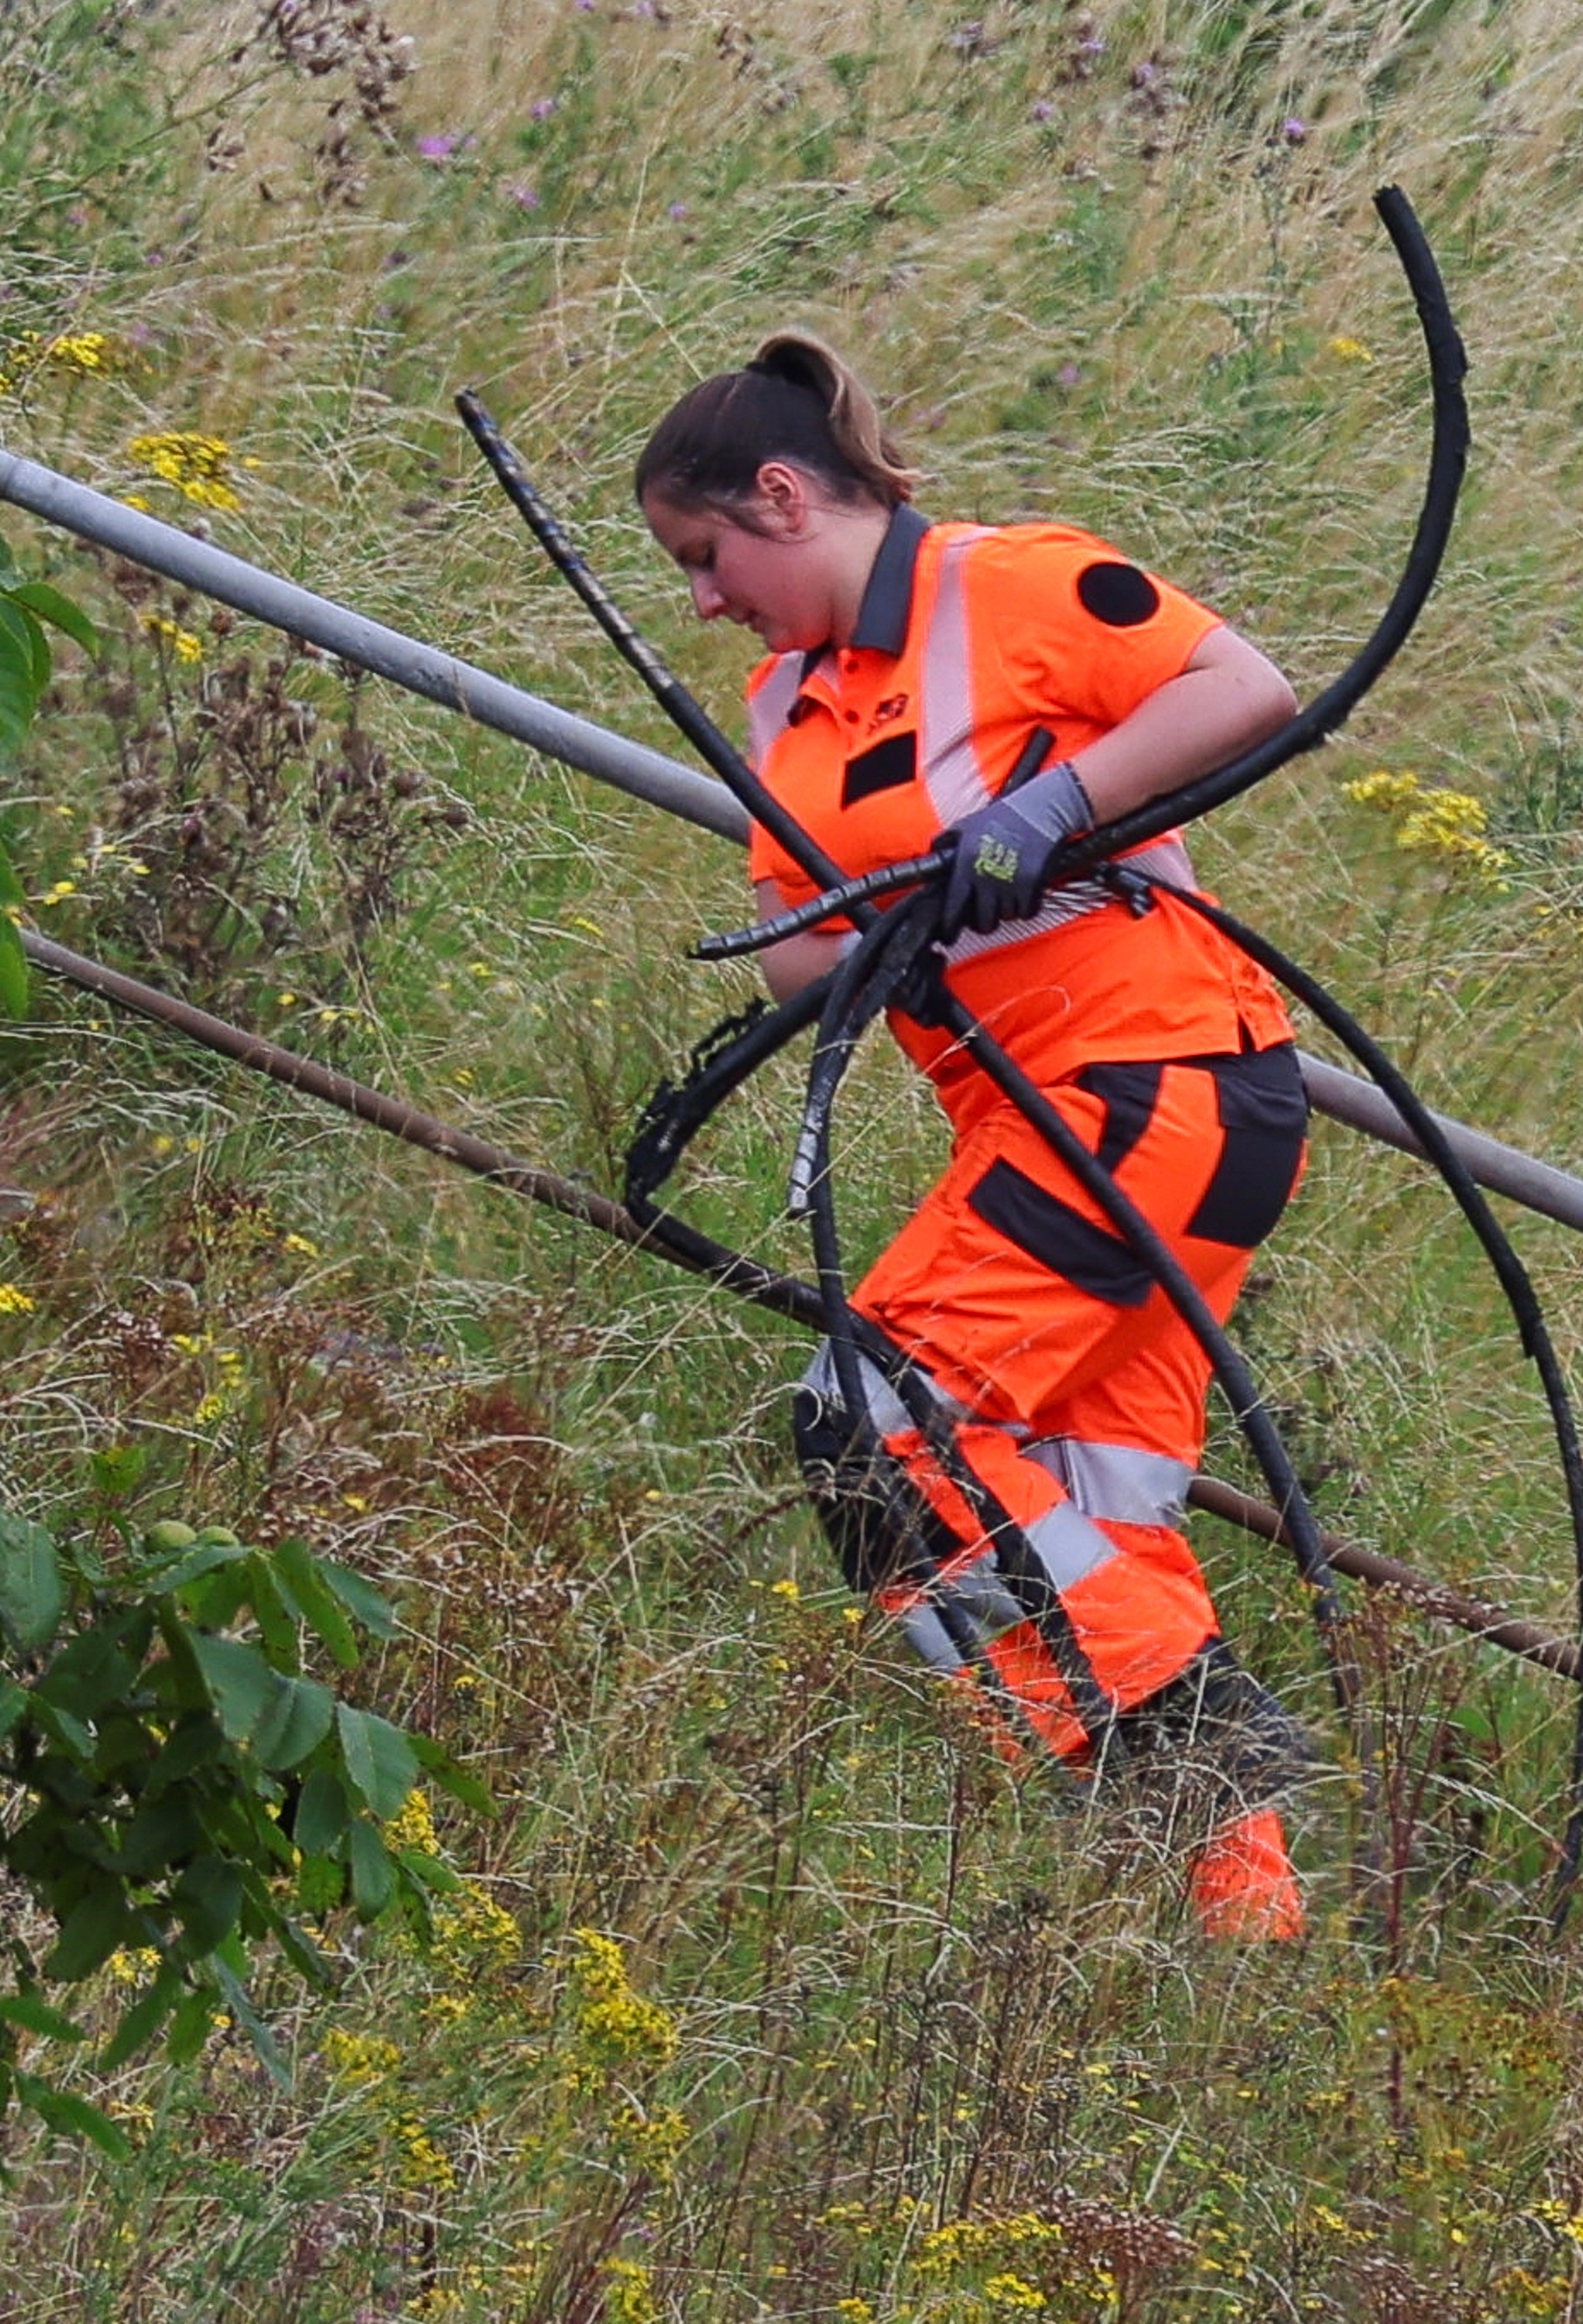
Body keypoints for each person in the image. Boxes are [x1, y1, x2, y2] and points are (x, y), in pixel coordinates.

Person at [637, 330, 1324, 1940]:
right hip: (1048, 1122)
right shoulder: (782, 698)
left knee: (867, 1420)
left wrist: (1039, 814)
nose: (703, 597)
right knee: (1086, 1500)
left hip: (1158, 1085)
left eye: (706, 554)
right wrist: (904, 901)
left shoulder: (1016, 586)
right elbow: (798, 948)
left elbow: (1247, 691)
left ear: (785, 497)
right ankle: (1242, 1935)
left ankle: (1182, 1775)